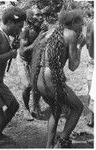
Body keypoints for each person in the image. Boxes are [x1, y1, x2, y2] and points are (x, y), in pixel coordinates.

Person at [30, 9, 85, 148]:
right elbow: (73, 66)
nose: (82, 27)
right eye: (81, 24)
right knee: (78, 107)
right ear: (73, 23)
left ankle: (49, 146)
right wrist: (79, 46)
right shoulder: (71, 34)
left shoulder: (51, 32)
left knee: (56, 110)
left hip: (39, 78)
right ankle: (61, 143)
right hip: (51, 79)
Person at [0, 6, 26, 145]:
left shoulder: (6, 36)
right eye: (19, 26)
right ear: (10, 22)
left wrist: (12, 48)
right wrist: (10, 54)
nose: (20, 30)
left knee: (13, 105)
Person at [17, 7, 48, 120]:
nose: (41, 18)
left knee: (38, 83)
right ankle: (26, 108)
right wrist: (39, 37)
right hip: (23, 59)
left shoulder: (42, 28)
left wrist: (45, 32)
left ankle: (35, 105)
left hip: (35, 59)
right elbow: (23, 51)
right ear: (30, 19)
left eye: (41, 15)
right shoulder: (25, 30)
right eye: (38, 15)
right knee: (27, 85)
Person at [86, 20, 94, 127]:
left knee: (91, 91)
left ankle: (91, 119)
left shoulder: (92, 24)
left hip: (93, 61)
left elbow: (89, 45)